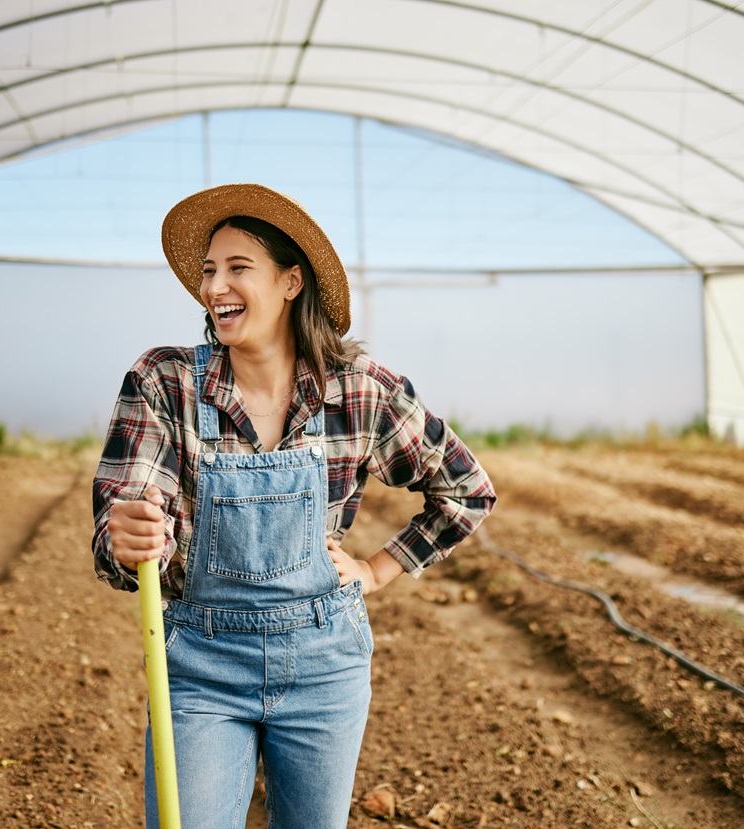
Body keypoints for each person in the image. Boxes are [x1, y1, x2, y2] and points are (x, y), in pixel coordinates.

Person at [91, 183, 495, 828]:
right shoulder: (164, 382)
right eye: (207, 271)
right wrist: (131, 537)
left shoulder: (359, 390)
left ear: (290, 281)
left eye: (237, 268)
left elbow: (467, 491)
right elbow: (124, 533)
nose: (214, 287)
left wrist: (377, 569)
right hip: (201, 661)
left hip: (325, 664)